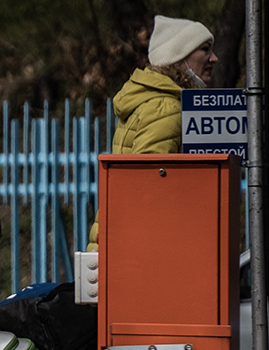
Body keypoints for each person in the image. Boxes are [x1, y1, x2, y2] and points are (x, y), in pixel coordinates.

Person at [87, 15, 218, 249]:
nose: (214, 59)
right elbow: (149, 188)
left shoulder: (150, 100)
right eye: (205, 50)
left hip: (119, 235)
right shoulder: (165, 107)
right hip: (141, 249)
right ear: (179, 57)